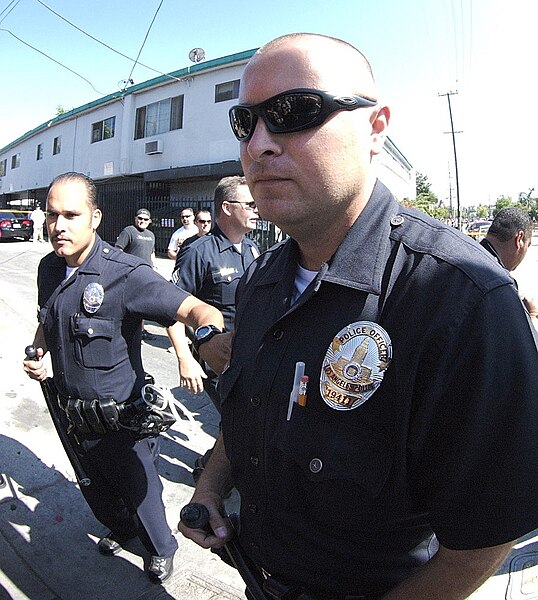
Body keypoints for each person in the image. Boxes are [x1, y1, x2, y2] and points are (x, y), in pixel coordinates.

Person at [179, 34, 538, 599]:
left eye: (294, 112)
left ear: (375, 128)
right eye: (245, 123)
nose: (261, 144)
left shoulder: (461, 296)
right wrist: (209, 488)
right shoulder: (262, 280)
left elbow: (481, 540)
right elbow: (248, 410)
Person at [22, 172, 225, 584]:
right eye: (51, 215)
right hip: (72, 413)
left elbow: (197, 311)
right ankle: (121, 529)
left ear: (95, 218)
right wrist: (39, 350)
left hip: (121, 421)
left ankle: (161, 549)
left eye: (70, 215)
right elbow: (48, 317)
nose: (58, 226)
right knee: (96, 486)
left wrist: (204, 340)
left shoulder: (124, 273)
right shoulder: (49, 268)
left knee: (141, 492)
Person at [171, 176, 259, 480]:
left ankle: (221, 468)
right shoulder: (198, 251)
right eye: (249, 204)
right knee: (239, 419)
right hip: (214, 357)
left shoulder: (252, 248)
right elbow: (172, 307)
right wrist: (185, 357)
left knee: (242, 419)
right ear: (226, 207)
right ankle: (212, 474)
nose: (257, 209)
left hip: (247, 353)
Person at [480, 207, 537, 321]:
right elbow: (522, 338)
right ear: (519, 239)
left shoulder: (469, 255)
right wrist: (532, 314)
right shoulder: (499, 283)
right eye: (528, 245)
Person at [115, 208, 157, 339]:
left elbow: (152, 253)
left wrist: (154, 267)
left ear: (149, 221)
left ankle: (141, 330)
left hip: (147, 274)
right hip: (131, 274)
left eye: (145, 219)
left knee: (143, 303)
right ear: (135, 219)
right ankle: (125, 329)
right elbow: (118, 249)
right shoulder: (128, 231)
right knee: (130, 303)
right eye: (140, 218)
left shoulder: (151, 235)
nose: (142, 221)